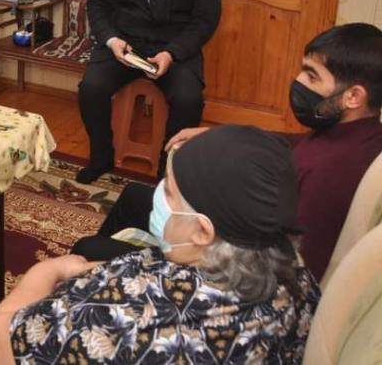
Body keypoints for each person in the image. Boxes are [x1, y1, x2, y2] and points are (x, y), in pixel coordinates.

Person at [0, 126, 320, 364]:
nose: (158, 196)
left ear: (203, 231)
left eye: (169, 191)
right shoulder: (295, 273)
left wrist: (47, 270)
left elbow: (3, 336)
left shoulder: (120, 324)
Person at [72, 23, 382, 282]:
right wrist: (220, 134)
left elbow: (295, 271)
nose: (298, 81)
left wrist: (207, 246)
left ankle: (99, 285)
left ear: (353, 96)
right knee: (134, 196)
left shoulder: (332, 173)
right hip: (238, 234)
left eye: (312, 76)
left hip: (230, 268)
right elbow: (293, 142)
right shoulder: (353, 134)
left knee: (89, 249)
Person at [76, 0, 221, 184]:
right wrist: (112, 40)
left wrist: (171, 53)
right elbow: (98, 2)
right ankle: (101, 157)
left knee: (189, 99)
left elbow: (205, 20)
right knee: (91, 88)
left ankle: (168, 172)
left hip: (174, 47)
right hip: (125, 43)